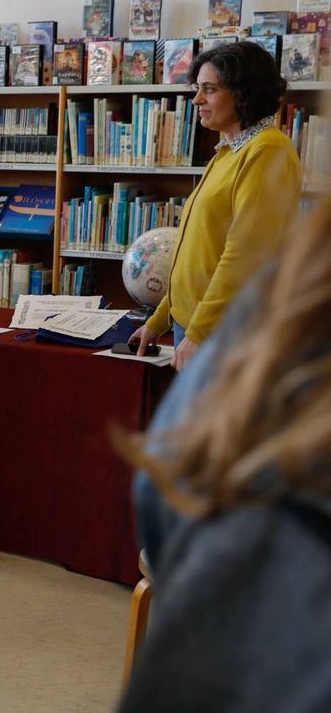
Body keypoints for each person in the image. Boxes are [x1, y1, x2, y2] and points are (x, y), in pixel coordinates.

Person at [117, 195, 331, 712]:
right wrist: (165, 320)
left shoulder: (295, 293)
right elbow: (191, 254)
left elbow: (168, 486)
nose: (197, 105)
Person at [130, 41, 301, 370]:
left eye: (209, 89)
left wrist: (201, 331)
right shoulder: (229, 150)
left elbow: (246, 254)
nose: (197, 100)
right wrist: (161, 318)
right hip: (197, 325)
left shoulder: (267, 151)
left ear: (243, 93)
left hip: (224, 333)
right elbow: (202, 251)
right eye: (198, 89)